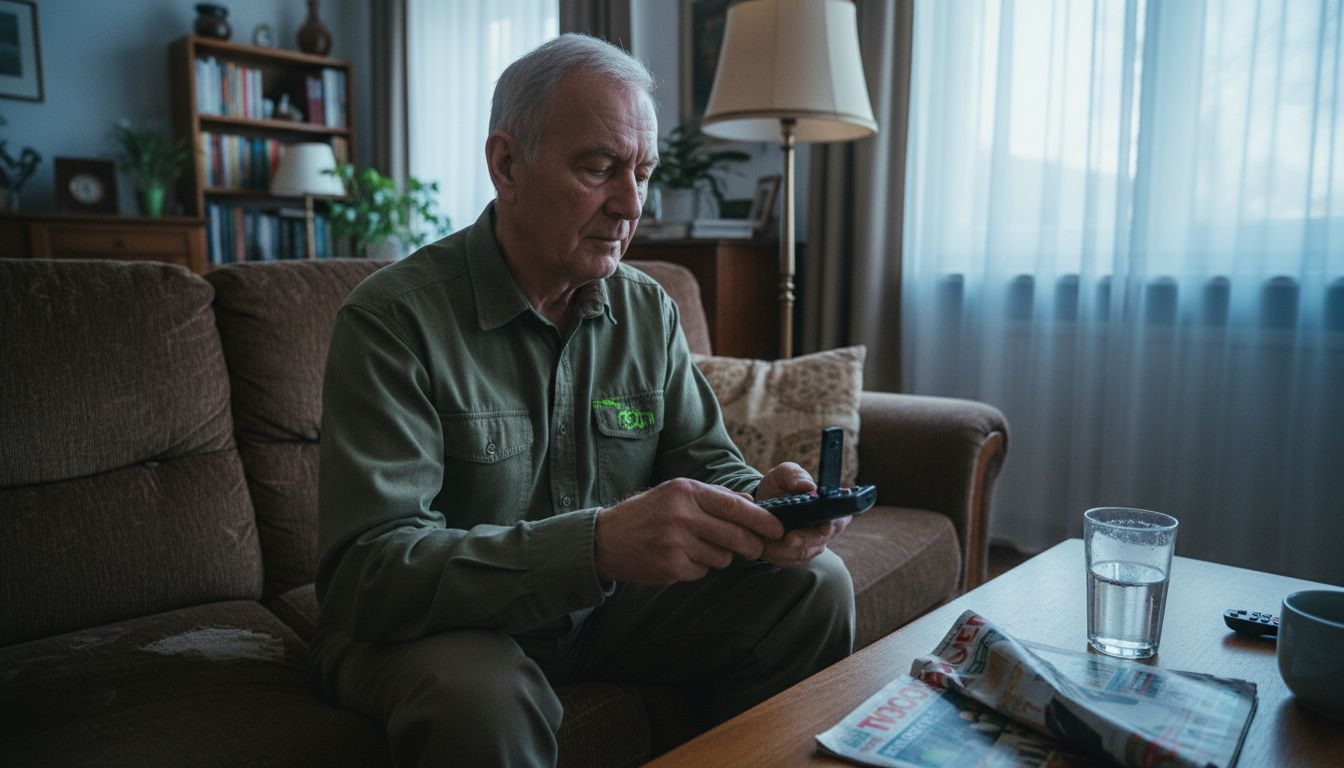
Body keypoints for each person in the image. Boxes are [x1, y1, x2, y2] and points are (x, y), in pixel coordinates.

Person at [311, 33, 855, 767]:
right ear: (506, 164)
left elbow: (707, 464)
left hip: (600, 613)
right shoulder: (393, 321)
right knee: (485, 702)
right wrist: (595, 545)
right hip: (446, 628)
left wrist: (762, 505)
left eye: (644, 172)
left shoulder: (646, 311)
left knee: (815, 585)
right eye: (599, 168)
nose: (631, 204)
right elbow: (369, 573)